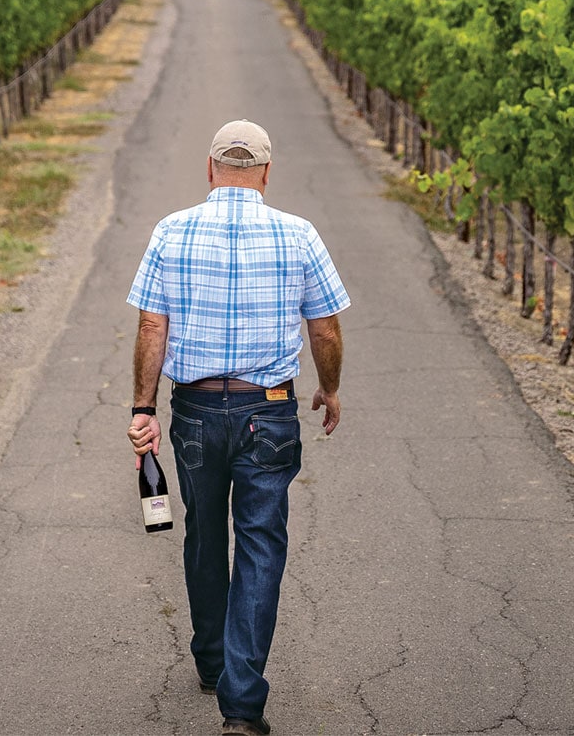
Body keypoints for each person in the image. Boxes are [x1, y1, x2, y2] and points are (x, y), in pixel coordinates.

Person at [125, 119, 349, 736]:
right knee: (259, 544)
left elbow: (152, 328)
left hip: (195, 411)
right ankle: (242, 704)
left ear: (210, 169)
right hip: (268, 412)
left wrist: (143, 410)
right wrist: (328, 388)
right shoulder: (298, 235)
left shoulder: (171, 232)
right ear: (266, 174)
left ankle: (211, 659)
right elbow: (325, 329)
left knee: (203, 533)